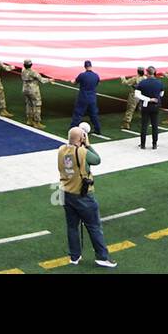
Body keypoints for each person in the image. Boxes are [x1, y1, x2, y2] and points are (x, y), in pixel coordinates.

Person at [57, 126, 116, 267]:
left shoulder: (61, 150)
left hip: (65, 192)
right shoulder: (82, 152)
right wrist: (88, 145)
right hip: (82, 195)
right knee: (94, 226)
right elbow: (97, 160)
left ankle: (74, 256)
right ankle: (102, 257)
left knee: (72, 226)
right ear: (82, 138)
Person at [70, 60, 102, 134]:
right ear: (91, 66)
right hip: (92, 98)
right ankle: (98, 129)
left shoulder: (82, 75)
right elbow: (98, 83)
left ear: (85, 67)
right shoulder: (96, 75)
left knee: (78, 114)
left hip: (83, 97)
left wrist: (72, 81)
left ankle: (72, 130)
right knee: (94, 114)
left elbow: (75, 82)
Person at [136, 67, 165, 150]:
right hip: (156, 106)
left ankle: (142, 144)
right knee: (155, 125)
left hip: (146, 106)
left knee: (144, 125)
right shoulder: (159, 83)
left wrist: (148, 99)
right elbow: (161, 94)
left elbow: (137, 94)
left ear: (147, 73)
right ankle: (154, 144)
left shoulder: (143, 83)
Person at [21, 60, 49, 129]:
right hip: (33, 90)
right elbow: (42, 80)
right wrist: (50, 80)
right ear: (31, 64)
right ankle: (37, 122)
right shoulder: (33, 72)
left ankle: (29, 120)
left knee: (28, 104)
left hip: (25, 89)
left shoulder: (23, 70)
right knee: (37, 105)